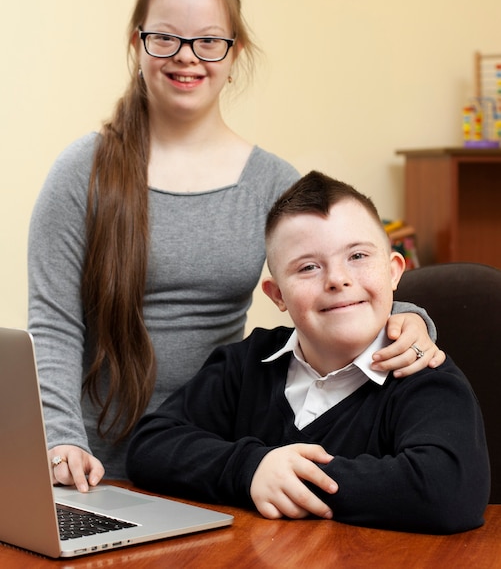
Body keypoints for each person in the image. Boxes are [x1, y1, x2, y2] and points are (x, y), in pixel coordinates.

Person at [28, 0, 443, 492]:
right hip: (89, 464)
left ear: (234, 51)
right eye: (165, 38)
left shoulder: (272, 182)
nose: (186, 58)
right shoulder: (79, 173)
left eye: (208, 41)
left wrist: (412, 318)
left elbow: (332, 278)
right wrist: (61, 439)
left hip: (206, 454)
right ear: (138, 44)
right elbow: (54, 323)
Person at [126, 171, 490, 534]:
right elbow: (151, 446)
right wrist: (252, 468)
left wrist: (291, 479)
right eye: (308, 267)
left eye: (358, 255)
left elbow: (446, 492)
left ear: (394, 271)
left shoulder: (425, 376)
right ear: (278, 295)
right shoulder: (246, 363)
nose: (337, 279)